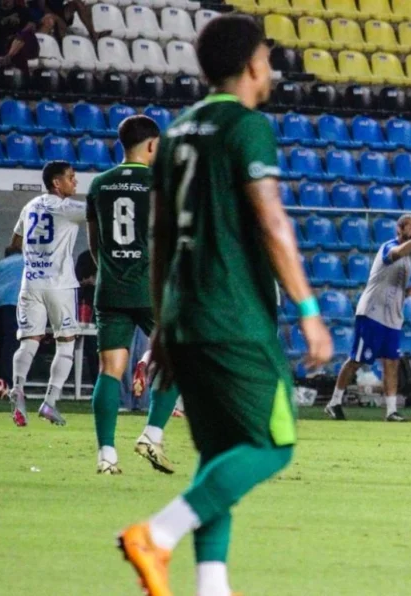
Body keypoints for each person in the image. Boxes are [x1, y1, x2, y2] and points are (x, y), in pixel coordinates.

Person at [116, 15, 332, 596]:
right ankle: (157, 534)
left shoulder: (176, 133)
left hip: (183, 316)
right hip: (233, 316)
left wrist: (162, 323)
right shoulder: (246, 126)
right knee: (273, 445)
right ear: (252, 64)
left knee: (218, 454)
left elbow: (160, 239)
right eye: (267, 58)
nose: (272, 68)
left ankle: (212, 587)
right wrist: (309, 311)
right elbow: (272, 221)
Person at [86, 114, 181, 475]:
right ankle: (151, 435)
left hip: (110, 289)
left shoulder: (99, 184)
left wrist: (114, 270)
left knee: (110, 369)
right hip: (151, 288)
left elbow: (94, 245)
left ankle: (106, 454)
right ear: (153, 145)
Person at [325, 214, 411, 422]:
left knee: (392, 362)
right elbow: (396, 253)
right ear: (399, 229)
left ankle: (391, 411)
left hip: (392, 318)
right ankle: (334, 402)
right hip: (373, 313)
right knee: (357, 359)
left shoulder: (407, 259)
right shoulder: (389, 247)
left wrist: (407, 291)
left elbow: (391, 284)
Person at [9, 160, 85, 426]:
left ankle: (17, 390)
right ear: (56, 183)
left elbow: (15, 242)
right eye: (71, 177)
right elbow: (101, 212)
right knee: (66, 342)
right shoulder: (68, 207)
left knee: (29, 341)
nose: (75, 182)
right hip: (60, 285)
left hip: (30, 283)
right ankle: (50, 402)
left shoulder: (29, 206)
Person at [0, 246, 24, 386]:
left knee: (0, 341)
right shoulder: (27, 261)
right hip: (15, 302)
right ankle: (8, 381)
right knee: (11, 342)